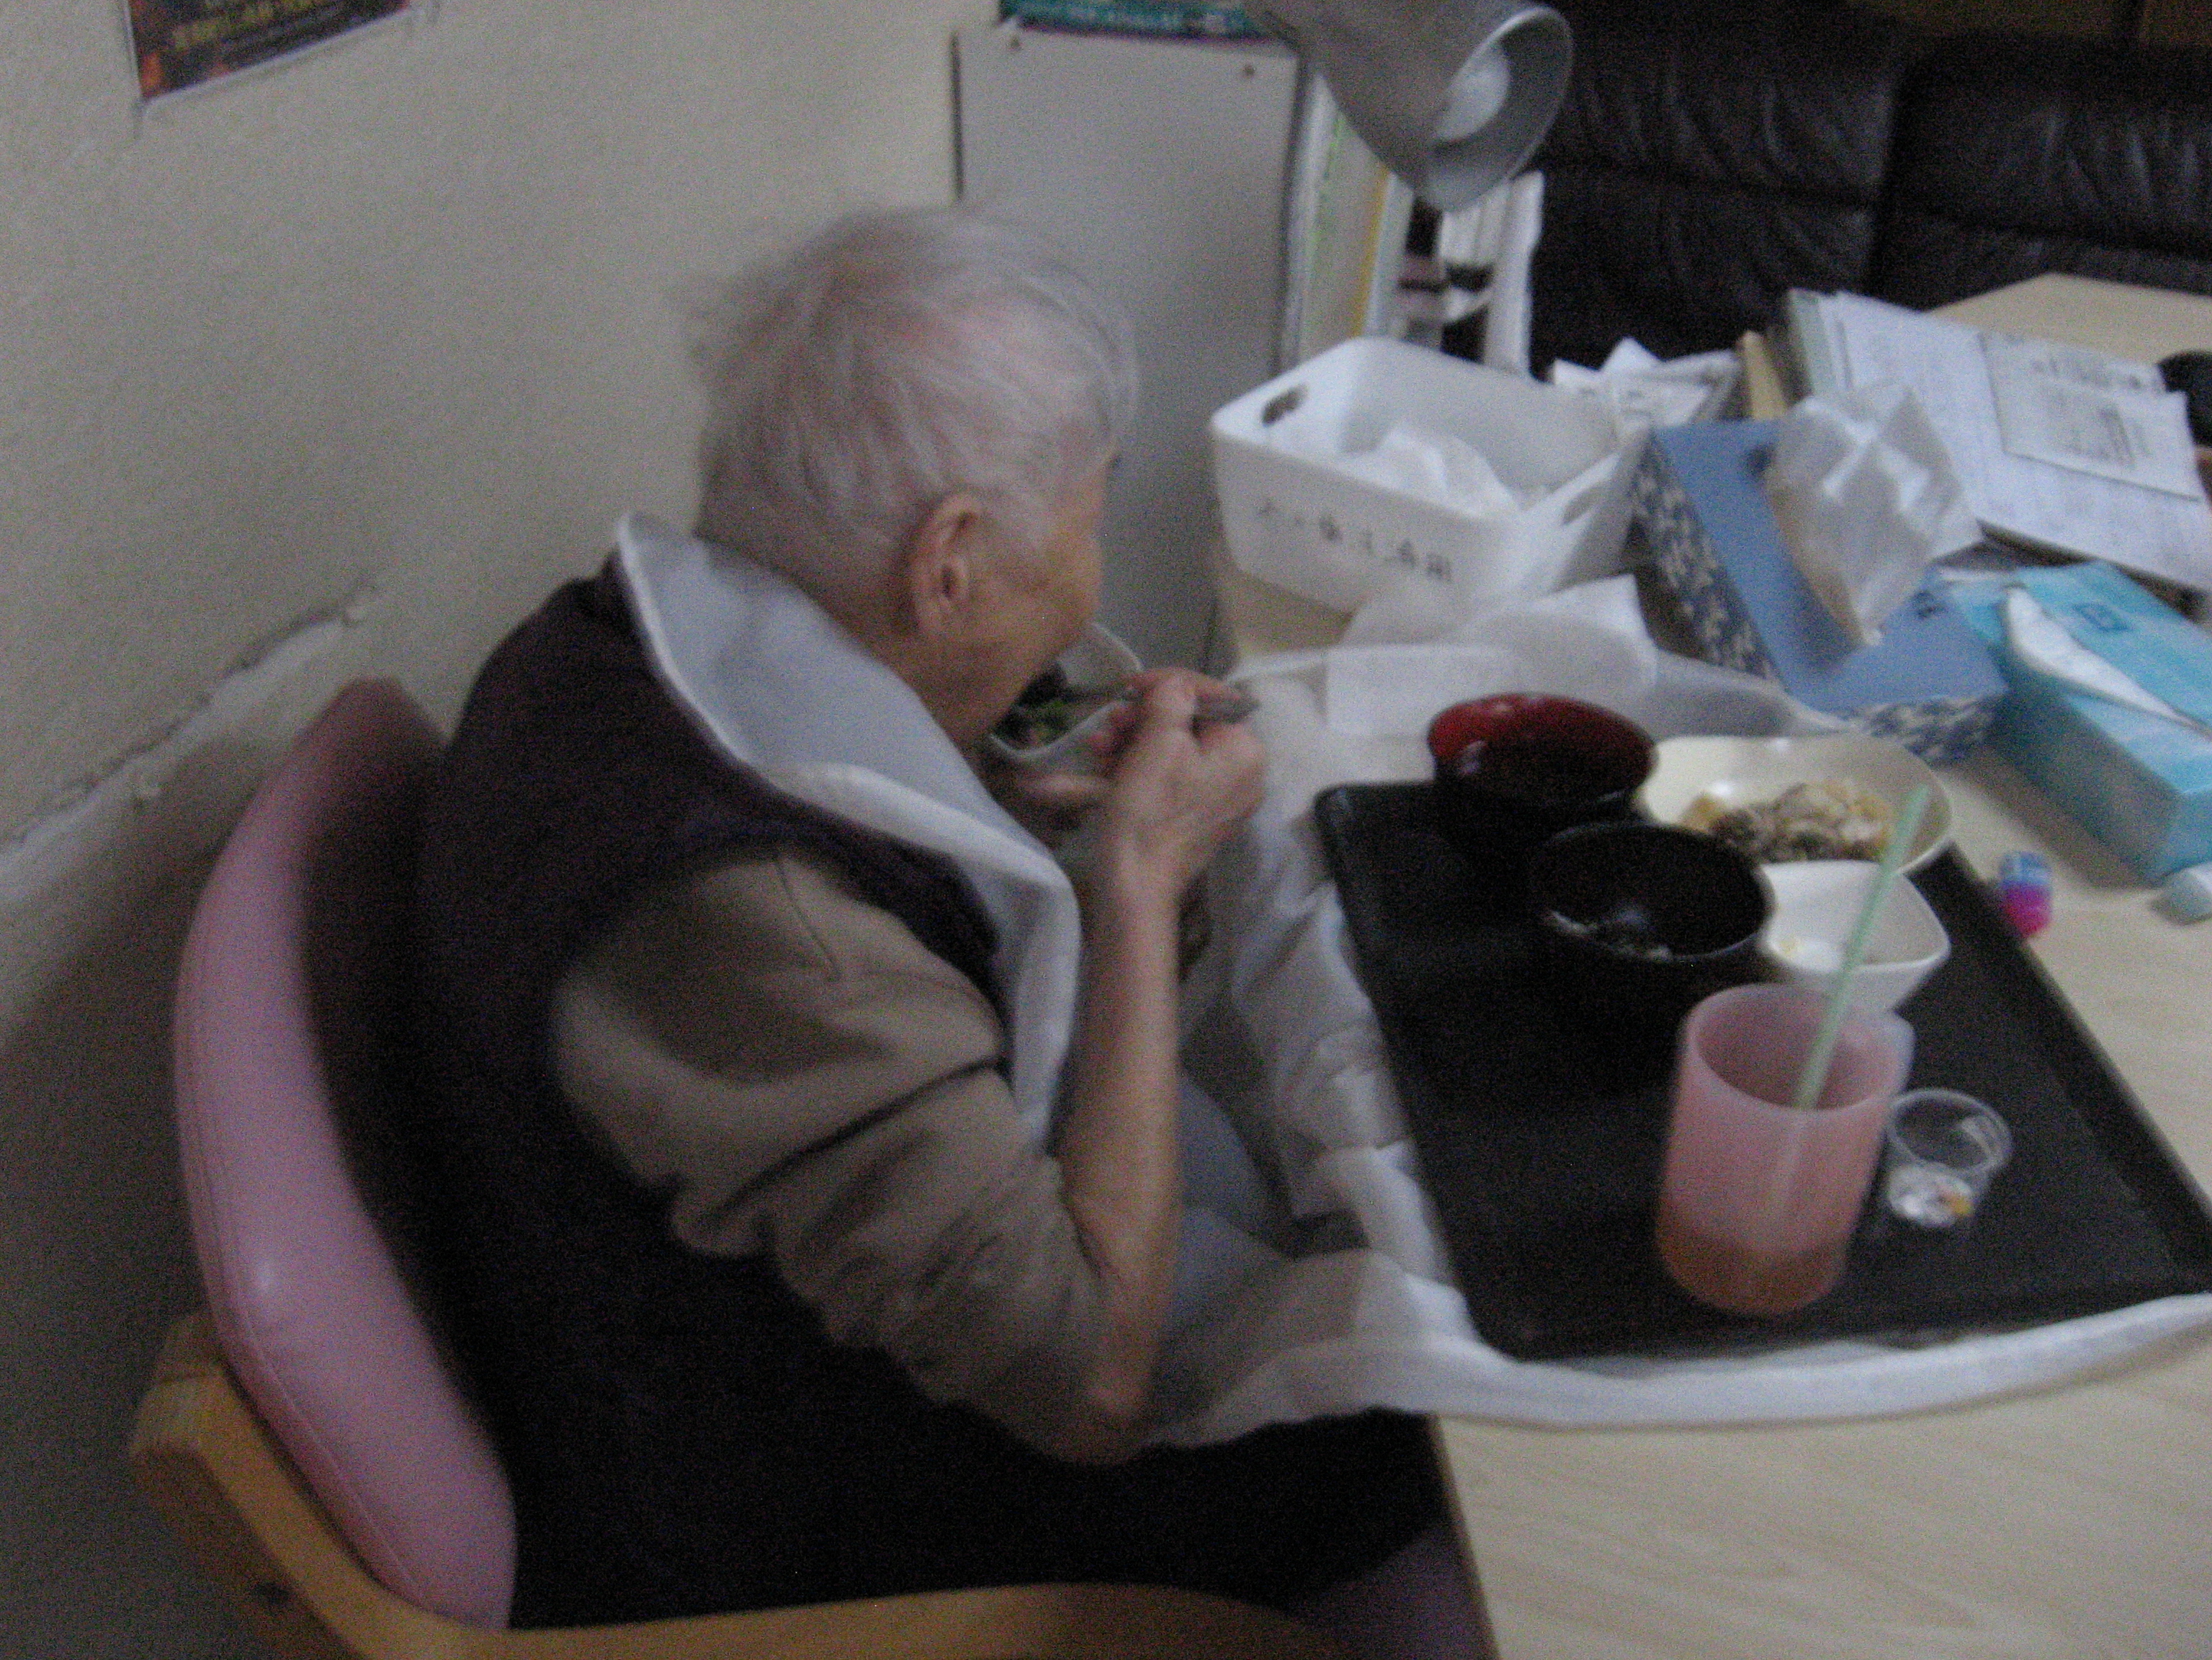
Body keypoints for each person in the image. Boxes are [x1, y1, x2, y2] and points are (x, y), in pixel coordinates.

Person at [408, 205, 1449, 1634]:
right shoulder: (763, 923)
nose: (1087, 583)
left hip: (705, 1346)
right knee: (1428, 1418)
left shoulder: (600, 652)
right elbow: (1091, 1383)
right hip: (788, 1528)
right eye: (1086, 526)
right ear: (948, 563)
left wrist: (1001, 808)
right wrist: (1140, 883)